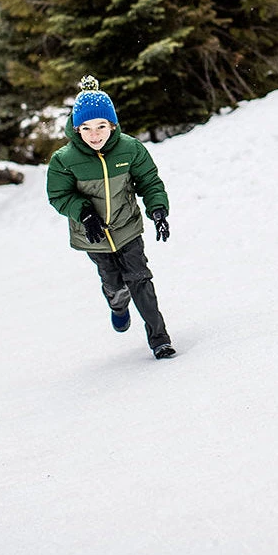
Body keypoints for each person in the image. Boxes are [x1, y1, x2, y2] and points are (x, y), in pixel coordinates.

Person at [47, 76, 176, 360]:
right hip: (92, 235)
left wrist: (158, 210)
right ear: (77, 129)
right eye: (87, 128)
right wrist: (84, 212)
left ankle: (160, 339)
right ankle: (118, 304)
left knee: (140, 279)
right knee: (115, 284)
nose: (95, 135)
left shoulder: (130, 149)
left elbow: (149, 181)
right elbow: (58, 195)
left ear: (113, 125)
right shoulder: (64, 160)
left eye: (101, 126)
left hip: (127, 228)